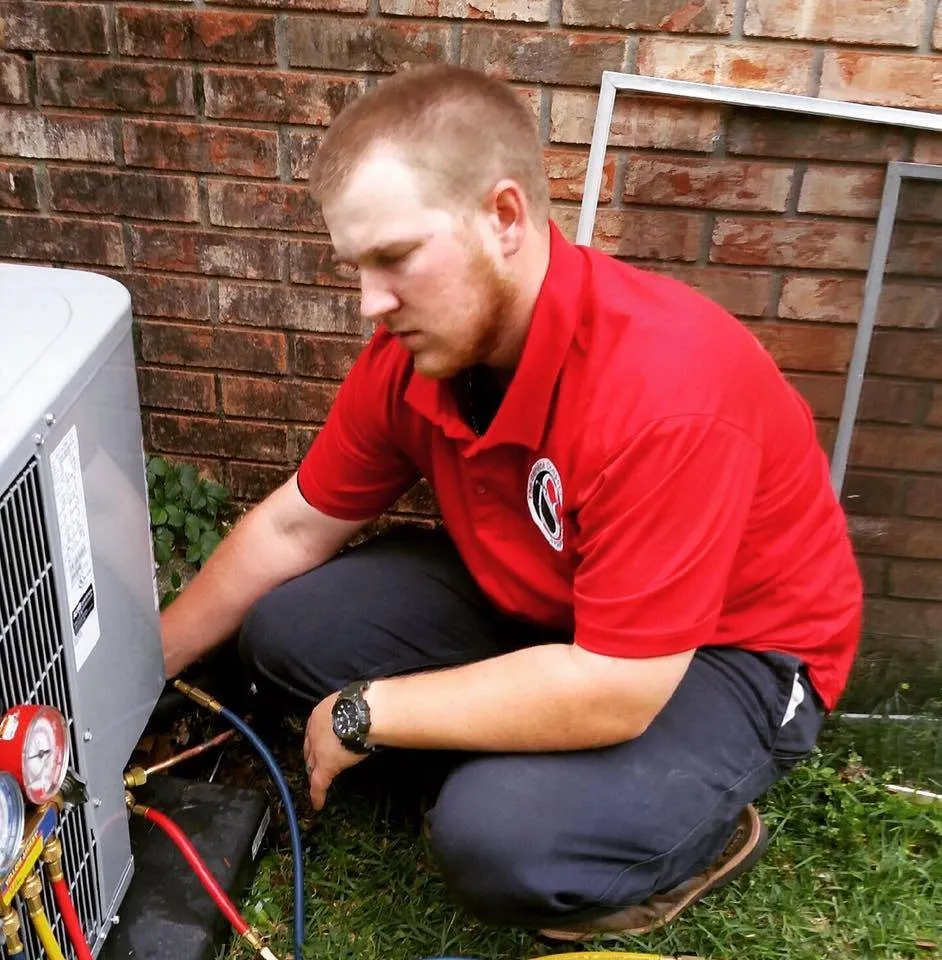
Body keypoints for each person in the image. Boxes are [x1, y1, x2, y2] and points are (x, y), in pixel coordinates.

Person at [160, 63, 863, 940]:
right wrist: (140, 668)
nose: (369, 304)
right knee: (286, 632)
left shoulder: (665, 392)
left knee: (499, 839)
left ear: (503, 218)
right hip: (564, 598)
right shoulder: (418, 356)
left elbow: (617, 687)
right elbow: (297, 522)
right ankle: (518, 738)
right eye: (356, 266)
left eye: (394, 259)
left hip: (726, 654)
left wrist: (367, 713)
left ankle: (698, 830)